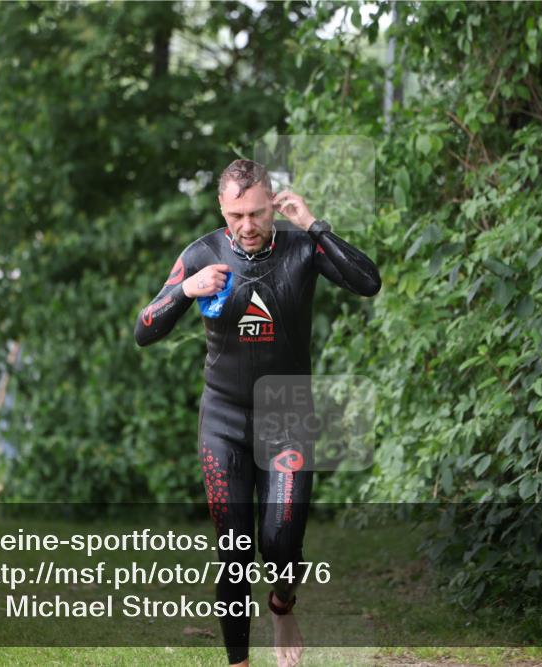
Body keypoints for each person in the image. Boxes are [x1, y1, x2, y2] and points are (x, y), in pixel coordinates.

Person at [135, 159, 380, 667]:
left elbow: (367, 281)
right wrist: (185, 291)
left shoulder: (301, 244)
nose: (246, 226)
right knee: (235, 550)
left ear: (273, 204)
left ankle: (283, 602)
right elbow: (144, 328)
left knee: (282, 540)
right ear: (222, 210)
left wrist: (315, 225)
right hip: (223, 417)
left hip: (287, 410)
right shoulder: (202, 253)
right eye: (235, 215)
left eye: (256, 213)